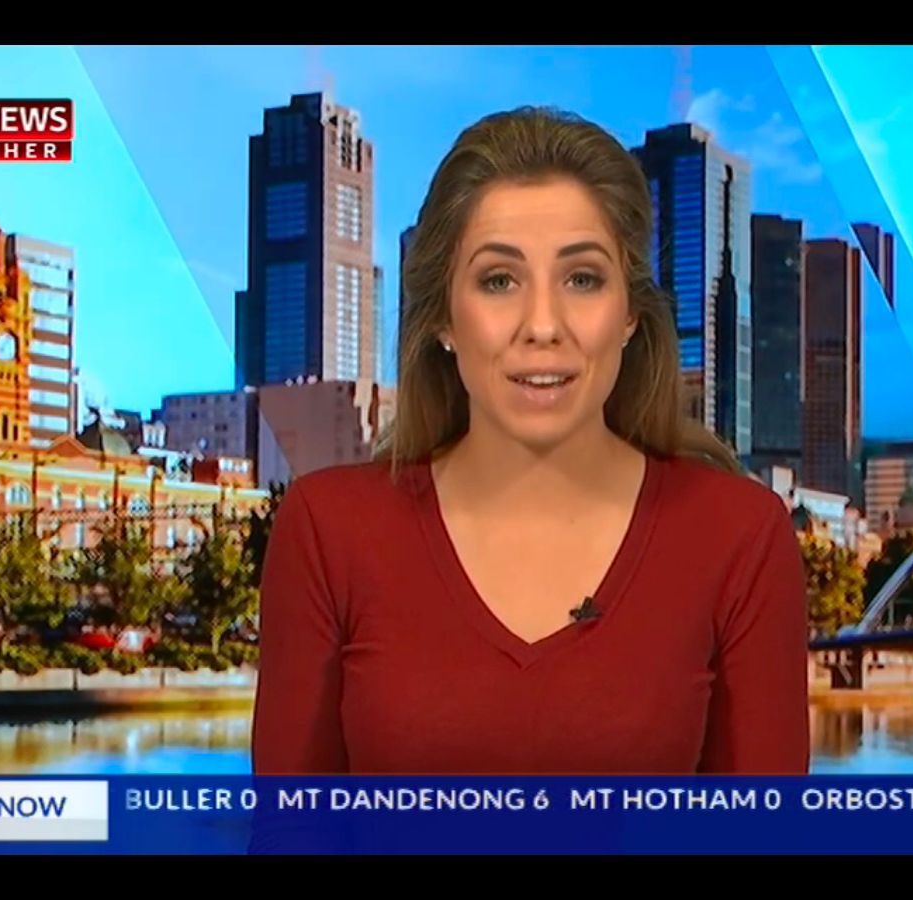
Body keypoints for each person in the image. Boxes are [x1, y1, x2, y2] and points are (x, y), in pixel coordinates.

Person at [252, 105, 809, 776]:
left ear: (629, 315)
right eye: (499, 281)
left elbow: (761, 825)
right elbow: (292, 823)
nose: (542, 325)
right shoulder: (327, 530)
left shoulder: (740, 536)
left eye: (582, 279)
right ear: (443, 319)